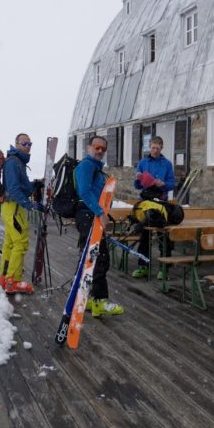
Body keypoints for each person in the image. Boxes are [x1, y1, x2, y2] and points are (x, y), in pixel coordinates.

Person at [74, 135, 124, 317]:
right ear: (89, 148)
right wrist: (100, 213)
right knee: (99, 257)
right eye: (96, 147)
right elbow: (84, 192)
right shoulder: (86, 166)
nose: (100, 151)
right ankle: (100, 300)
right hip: (88, 214)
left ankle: (88, 299)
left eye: (103, 148)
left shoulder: (96, 168)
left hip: (90, 214)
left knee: (90, 256)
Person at [0, 133, 44, 294]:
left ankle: (4, 277)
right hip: (14, 207)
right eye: (24, 143)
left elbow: (21, 186)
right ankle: (13, 280)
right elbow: (13, 189)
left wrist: (34, 185)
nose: (27, 146)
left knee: (10, 243)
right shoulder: (13, 163)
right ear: (16, 144)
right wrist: (29, 204)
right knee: (21, 243)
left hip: (12, 207)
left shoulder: (18, 162)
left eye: (30, 144)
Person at [132, 136, 176, 279]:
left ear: (161, 148)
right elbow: (137, 185)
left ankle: (164, 268)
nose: (155, 150)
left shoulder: (167, 164)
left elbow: (172, 184)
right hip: (146, 201)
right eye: (153, 148)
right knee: (144, 234)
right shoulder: (143, 162)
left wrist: (162, 184)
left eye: (158, 148)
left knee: (164, 235)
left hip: (161, 201)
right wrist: (138, 180)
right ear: (149, 147)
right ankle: (143, 265)